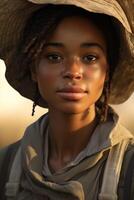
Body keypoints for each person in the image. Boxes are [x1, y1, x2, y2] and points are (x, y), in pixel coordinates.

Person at [0, 0, 134, 199]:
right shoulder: (6, 165)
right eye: (54, 57)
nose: (73, 72)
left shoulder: (128, 168)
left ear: (107, 71)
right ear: (33, 69)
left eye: (90, 58)